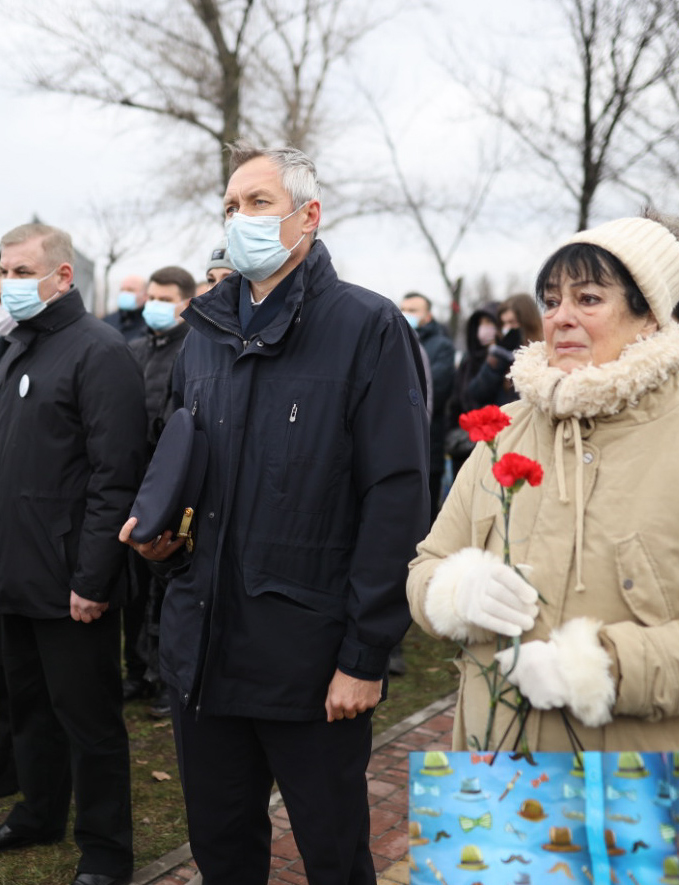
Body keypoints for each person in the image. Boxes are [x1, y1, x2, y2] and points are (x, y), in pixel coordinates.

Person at [408, 210, 679, 885]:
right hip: (497, 769)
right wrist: (453, 590)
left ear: (650, 315)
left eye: (588, 299)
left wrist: (607, 666)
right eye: (553, 298)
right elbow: (426, 566)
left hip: (638, 782)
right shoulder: (503, 428)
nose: (561, 316)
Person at [121, 143, 429, 885]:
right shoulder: (205, 336)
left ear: (308, 215)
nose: (240, 218)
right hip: (205, 651)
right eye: (230, 207)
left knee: (332, 854)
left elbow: (396, 497)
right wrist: (165, 537)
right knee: (221, 849)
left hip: (311, 663)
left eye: (257, 202)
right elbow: (183, 462)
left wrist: (365, 654)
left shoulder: (368, 327)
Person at [0, 223, 146, 885]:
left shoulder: (99, 352)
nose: (6, 283)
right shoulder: (14, 349)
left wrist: (92, 578)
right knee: (26, 706)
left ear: (62, 276)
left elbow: (114, 475)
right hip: (13, 572)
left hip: (73, 581)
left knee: (89, 722)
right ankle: (39, 812)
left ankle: (105, 851)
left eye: (19, 270)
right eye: (2, 271)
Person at [125, 265, 197, 715]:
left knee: (168, 591)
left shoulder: (192, 350)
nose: (152, 305)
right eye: (149, 296)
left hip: (171, 487)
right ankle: (138, 671)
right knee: (134, 590)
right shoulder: (132, 350)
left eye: (163, 298)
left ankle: (171, 680)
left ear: (185, 302)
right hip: (134, 484)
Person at [402, 292, 455, 524]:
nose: (407, 314)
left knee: (426, 511)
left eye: (413, 310)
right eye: (404, 309)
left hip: (430, 441)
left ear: (428, 315)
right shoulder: (397, 337)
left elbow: (436, 387)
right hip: (402, 440)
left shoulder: (441, 346)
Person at [461, 292, 543, 412]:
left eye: (512, 322)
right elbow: (475, 393)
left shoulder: (542, 354)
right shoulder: (502, 354)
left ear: (527, 322)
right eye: (503, 323)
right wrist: (498, 356)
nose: (507, 328)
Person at [444, 307, 501, 476]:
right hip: (466, 445)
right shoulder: (468, 361)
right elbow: (456, 401)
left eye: (489, 323)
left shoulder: (508, 359)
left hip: (496, 441)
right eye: (481, 324)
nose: (484, 328)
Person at [102, 274, 148, 342]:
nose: (125, 293)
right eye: (122, 290)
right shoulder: (108, 321)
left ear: (145, 295)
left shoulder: (149, 323)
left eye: (130, 290)